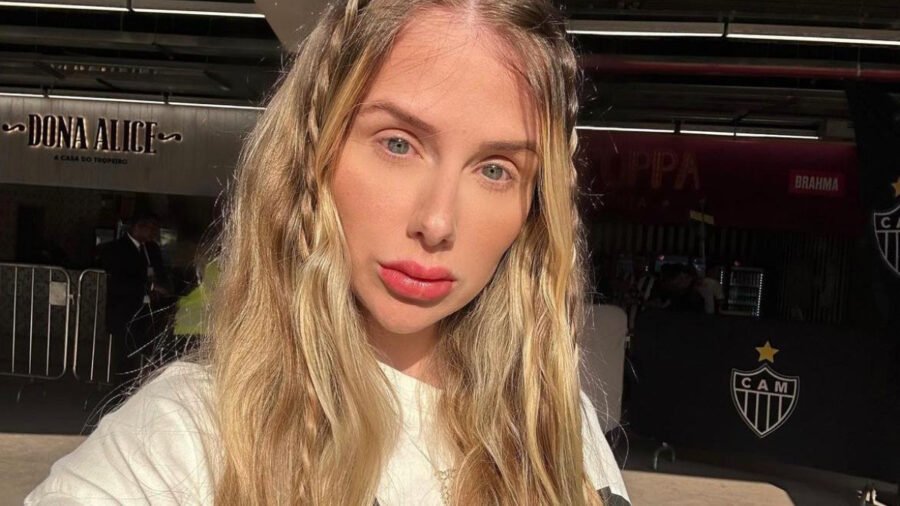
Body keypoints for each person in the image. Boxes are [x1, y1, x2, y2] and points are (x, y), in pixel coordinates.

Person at [26, 1, 630, 505]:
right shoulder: (190, 437)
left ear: (535, 207)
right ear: (314, 152)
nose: (437, 222)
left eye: (495, 169)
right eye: (398, 144)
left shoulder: (552, 423)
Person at [97, 212, 171, 385]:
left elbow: (160, 273)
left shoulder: (152, 249)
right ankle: (121, 391)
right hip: (125, 312)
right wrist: (148, 287)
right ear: (138, 227)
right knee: (125, 357)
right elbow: (118, 281)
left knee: (150, 352)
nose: (155, 233)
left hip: (149, 312)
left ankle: (145, 386)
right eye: (152, 228)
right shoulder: (115, 249)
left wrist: (162, 287)